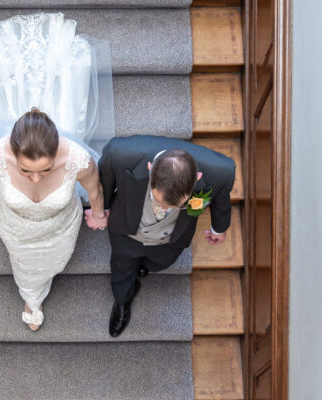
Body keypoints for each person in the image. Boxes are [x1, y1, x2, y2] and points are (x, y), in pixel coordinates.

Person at [0, 12, 115, 331]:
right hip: (16, 229)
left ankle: (43, 281)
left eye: (45, 169)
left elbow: (95, 191)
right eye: (27, 171)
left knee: (56, 258)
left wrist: (97, 214)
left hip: (60, 228)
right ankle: (31, 295)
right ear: (12, 154)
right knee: (26, 267)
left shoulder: (79, 160)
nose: (36, 179)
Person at [98, 135, 236, 337]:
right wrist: (104, 208)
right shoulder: (119, 154)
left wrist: (219, 228)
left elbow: (221, 201)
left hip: (171, 240)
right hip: (128, 232)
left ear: (197, 178)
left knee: (161, 262)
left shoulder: (220, 172)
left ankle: (145, 268)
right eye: (159, 200)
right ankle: (122, 301)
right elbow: (105, 182)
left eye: (173, 205)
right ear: (149, 168)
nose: (163, 209)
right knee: (122, 269)